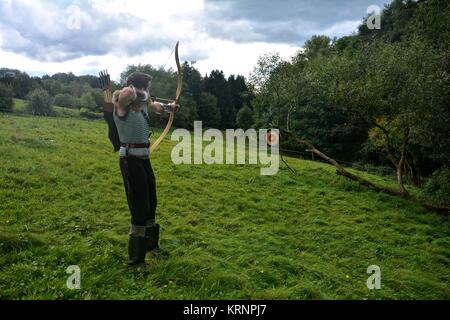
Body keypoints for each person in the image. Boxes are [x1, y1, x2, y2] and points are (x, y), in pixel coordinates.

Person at [100, 71, 179, 268]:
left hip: (143, 160)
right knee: (139, 207)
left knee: (151, 202)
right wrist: (143, 94)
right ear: (142, 87)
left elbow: (157, 107)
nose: (150, 92)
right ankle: (136, 261)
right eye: (148, 87)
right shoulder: (122, 101)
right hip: (129, 160)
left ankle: (151, 245)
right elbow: (126, 93)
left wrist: (170, 108)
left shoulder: (143, 102)